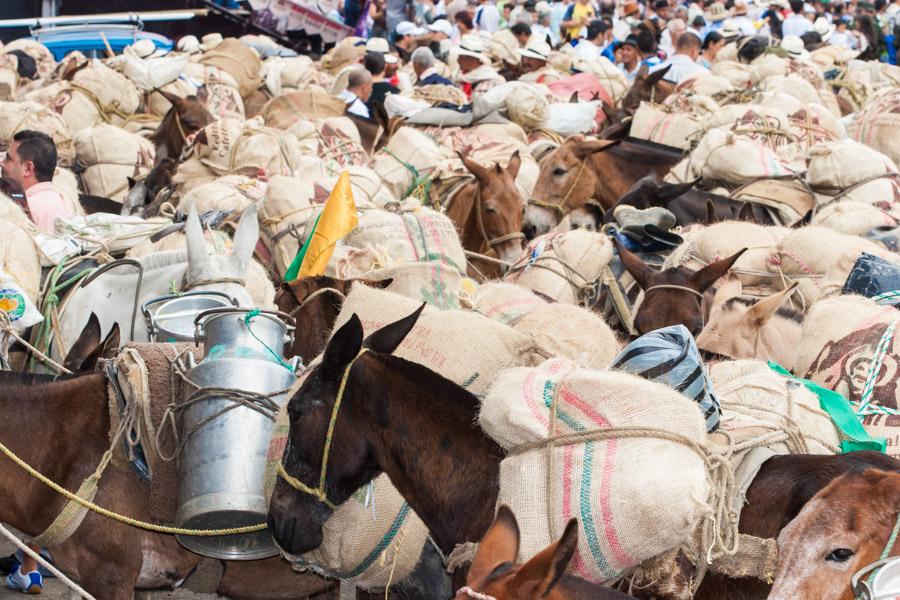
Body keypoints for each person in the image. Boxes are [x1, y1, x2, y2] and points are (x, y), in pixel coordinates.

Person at [1, 130, 74, 235]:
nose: (1, 163)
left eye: (8, 159)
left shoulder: (24, 210)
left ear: (27, 169)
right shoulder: (64, 200)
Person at [455, 34, 505, 100]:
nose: (458, 60)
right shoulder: (460, 76)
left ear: (471, 59)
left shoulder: (491, 81)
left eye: (460, 57)